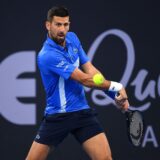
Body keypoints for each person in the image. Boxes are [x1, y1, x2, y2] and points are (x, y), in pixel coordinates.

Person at [26, 6, 129, 160]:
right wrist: (117, 86)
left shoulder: (73, 38)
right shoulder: (47, 55)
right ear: (48, 25)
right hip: (57, 116)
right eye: (58, 24)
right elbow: (85, 79)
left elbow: (91, 70)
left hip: (81, 112)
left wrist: (113, 94)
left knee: (105, 158)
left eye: (66, 24)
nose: (62, 29)